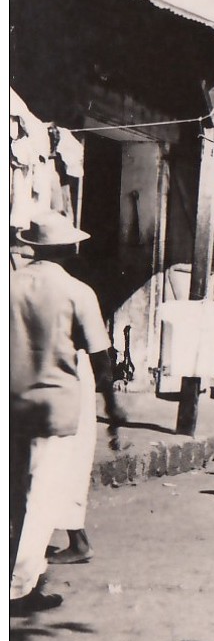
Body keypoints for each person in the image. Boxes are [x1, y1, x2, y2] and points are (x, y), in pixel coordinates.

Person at [11, 213, 127, 614]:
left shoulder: (8, 285)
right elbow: (101, 358)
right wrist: (112, 408)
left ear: (34, 246)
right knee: (40, 496)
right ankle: (20, 589)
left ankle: (20, 577)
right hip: (56, 406)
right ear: (69, 248)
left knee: (15, 494)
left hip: (11, 403)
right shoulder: (78, 291)